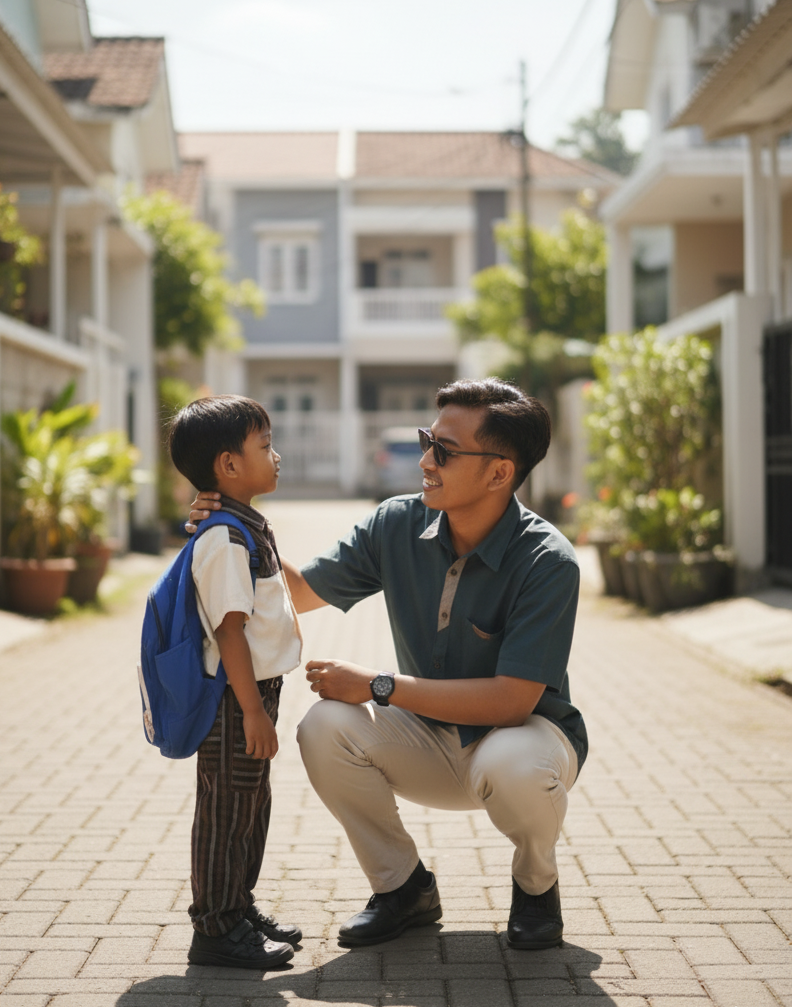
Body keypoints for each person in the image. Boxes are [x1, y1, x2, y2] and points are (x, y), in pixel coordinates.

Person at [188, 378, 587, 951]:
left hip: (523, 739)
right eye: (430, 440)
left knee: (513, 765)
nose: (425, 460)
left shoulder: (548, 561)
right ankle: (403, 889)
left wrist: (377, 686)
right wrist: (232, 524)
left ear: (501, 472)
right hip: (431, 739)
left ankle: (535, 887)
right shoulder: (396, 524)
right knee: (323, 727)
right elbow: (295, 593)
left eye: (444, 451)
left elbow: (511, 701)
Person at [169, 394, 303, 969]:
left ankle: (238, 905)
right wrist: (252, 711)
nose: (277, 455)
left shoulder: (245, 526)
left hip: (253, 693)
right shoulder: (224, 539)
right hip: (233, 697)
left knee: (250, 803)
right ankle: (216, 928)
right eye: (265, 446)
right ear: (228, 465)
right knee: (226, 809)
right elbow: (229, 635)